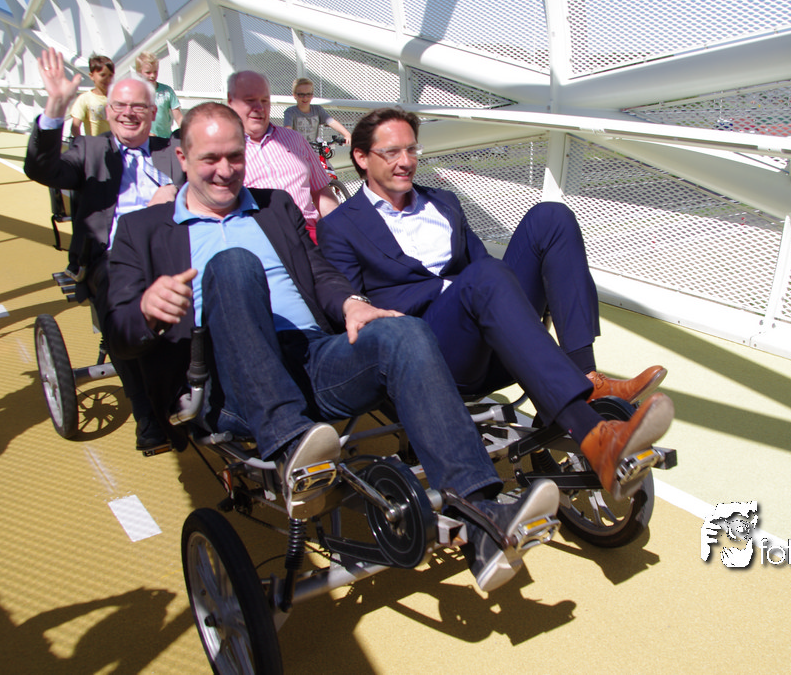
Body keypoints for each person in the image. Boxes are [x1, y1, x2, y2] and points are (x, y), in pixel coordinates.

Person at [104, 101, 559, 592]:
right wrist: (147, 309)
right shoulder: (142, 230)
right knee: (233, 264)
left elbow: (320, 273)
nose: (225, 170)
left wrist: (352, 304)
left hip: (311, 356)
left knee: (402, 331)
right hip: (230, 378)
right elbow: (118, 331)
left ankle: (482, 517)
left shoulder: (275, 206)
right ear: (182, 157)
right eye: (210, 158)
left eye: (235, 156)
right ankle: (290, 446)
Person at [317, 107, 674, 500]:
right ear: (361, 157)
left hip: (485, 326)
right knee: (483, 278)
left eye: (412, 150)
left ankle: (586, 376)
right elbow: (357, 307)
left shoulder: (444, 203)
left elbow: (483, 266)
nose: (406, 162)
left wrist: (474, 286)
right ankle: (592, 434)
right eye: (391, 152)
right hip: (431, 350)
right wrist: (452, 288)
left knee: (550, 218)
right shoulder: (340, 226)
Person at [24, 47, 183, 452]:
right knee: (121, 300)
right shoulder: (90, 150)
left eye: (139, 107)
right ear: (108, 111)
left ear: (153, 112)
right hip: (111, 257)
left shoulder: (172, 152)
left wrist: (176, 193)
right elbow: (41, 168)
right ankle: (148, 415)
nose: (129, 113)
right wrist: (55, 108)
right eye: (120, 106)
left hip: (172, 251)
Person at [227, 70, 339, 243]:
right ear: (230, 101)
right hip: (260, 238)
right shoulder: (223, 150)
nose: (259, 108)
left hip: (308, 234)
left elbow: (321, 191)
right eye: (250, 100)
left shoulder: (295, 139)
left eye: (264, 100)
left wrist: (342, 229)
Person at [283, 78, 351, 144]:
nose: (305, 98)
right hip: (297, 147)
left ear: (312, 95)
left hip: (313, 148)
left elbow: (331, 122)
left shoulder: (317, 110)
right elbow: (287, 130)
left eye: (308, 94)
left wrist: (347, 134)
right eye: (301, 95)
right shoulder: (290, 112)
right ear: (294, 95)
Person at [135, 52, 182, 139]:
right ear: (139, 73)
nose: (152, 75)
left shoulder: (167, 91)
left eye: (155, 71)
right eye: (148, 72)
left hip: (165, 138)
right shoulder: (135, 93)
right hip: (144, 139)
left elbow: (178, 117)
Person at [70, 53, 114, 137]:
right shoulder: (85, 98)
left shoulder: (116, 97)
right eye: (102, 75)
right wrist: (83, 143)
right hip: (96, 143)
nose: (107, 79)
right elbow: (75, 127)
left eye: (110, 75)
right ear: (91, 76)